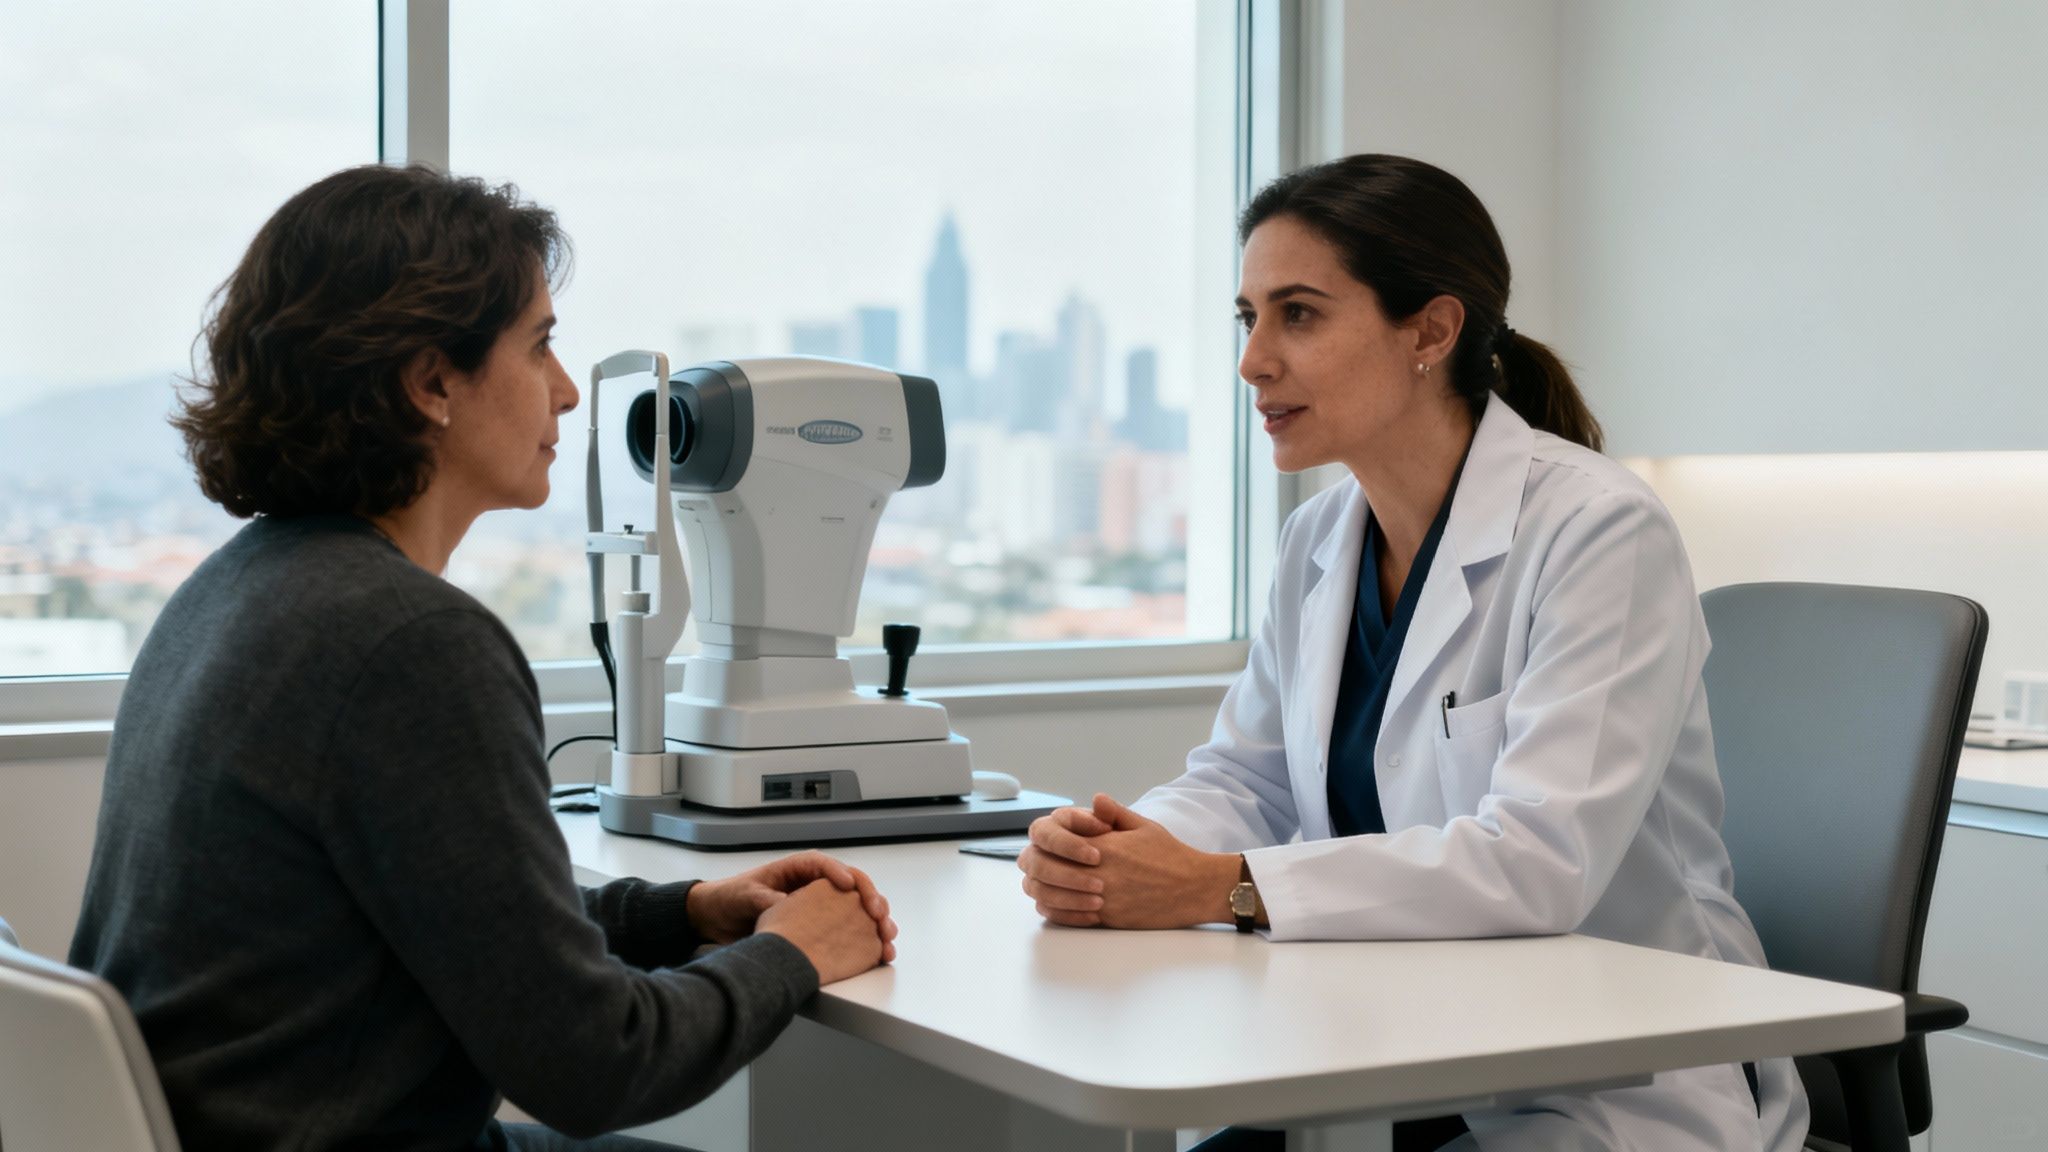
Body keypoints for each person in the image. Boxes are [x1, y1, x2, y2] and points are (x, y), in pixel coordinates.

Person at [67, 163, 898, 1152]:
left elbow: (454, 910)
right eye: (540, 345)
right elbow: (598, 1066)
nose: (561, 392)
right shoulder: (410, 645)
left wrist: (678, 914)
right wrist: (792, 955)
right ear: (430, 383)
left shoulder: (234, 592)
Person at [1017, 154, 1809, 1152]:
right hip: (1376, 1044)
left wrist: (1216, 887)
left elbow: (1538, 861)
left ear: (1429, 330)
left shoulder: (1598, 530)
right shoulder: (1317, 540)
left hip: (1596, 1079)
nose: (1252, 360)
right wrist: (1122, 849)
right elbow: (1244, 778)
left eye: (1297, 314)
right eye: (1246, 316)